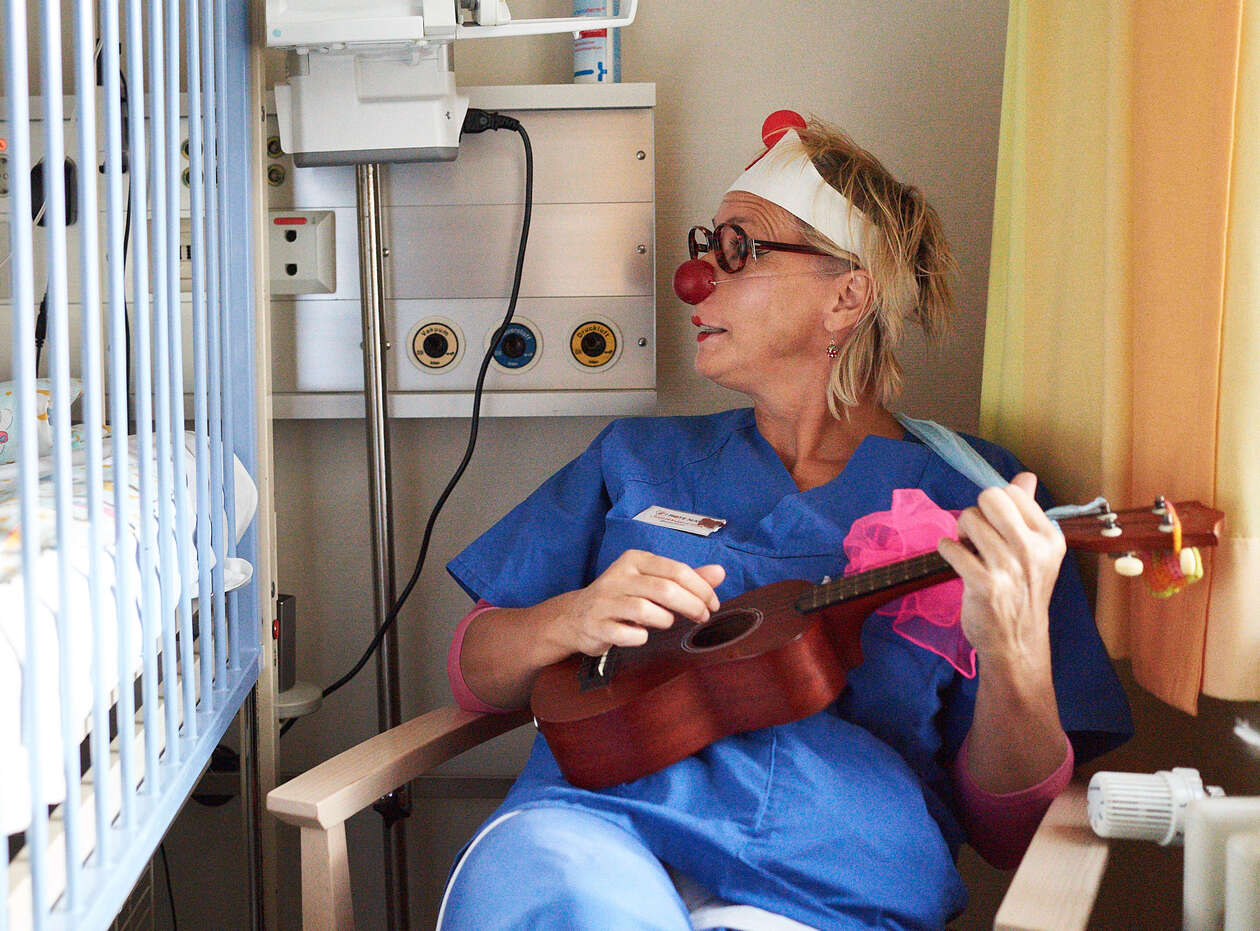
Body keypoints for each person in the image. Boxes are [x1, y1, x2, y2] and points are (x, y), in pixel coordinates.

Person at [437, 111, 1132, 930]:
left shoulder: (983, 501)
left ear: (847, 296)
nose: (697, 279)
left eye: (740, 250)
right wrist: (571, 617)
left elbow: (1013, 832)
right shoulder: (638, 456)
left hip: (829, 882)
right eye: (707, 248)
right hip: (590, 832)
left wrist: (1015, 645)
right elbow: (475, 672)